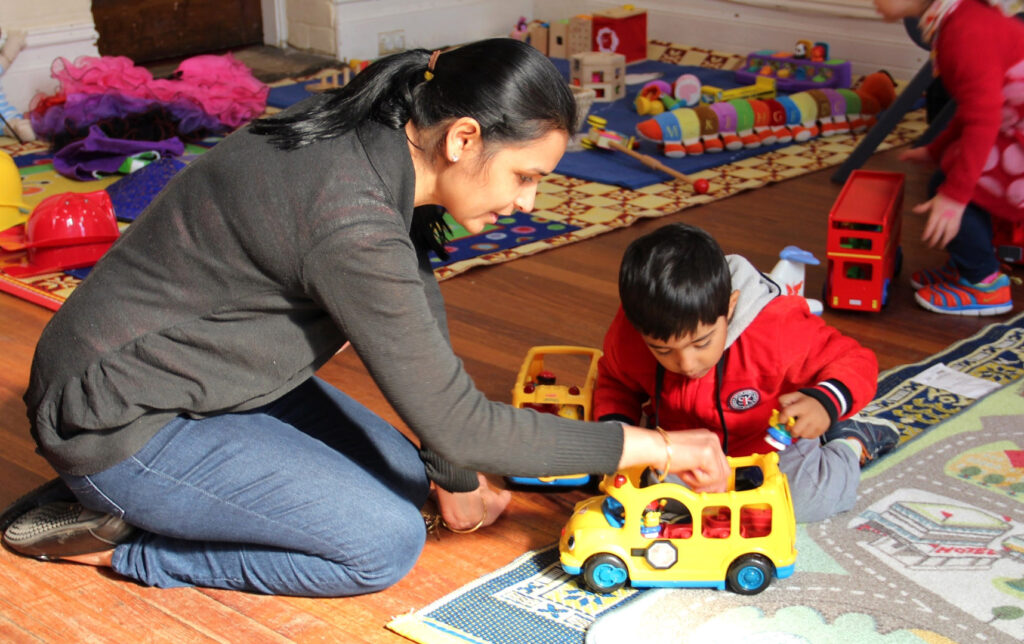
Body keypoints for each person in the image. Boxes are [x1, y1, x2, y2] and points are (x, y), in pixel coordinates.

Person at [0, 39, 730, 597]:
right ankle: (123, 543)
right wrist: (658, 448)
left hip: (200, 374)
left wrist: (451, 475)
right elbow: (464, 424)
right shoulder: (350, 220)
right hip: (117, 419)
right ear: (465, 138)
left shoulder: (380, 136)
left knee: (412, 481)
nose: (528, 203)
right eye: (526, 176)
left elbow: (419, 312)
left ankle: (166, 502)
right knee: (379, 546)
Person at [593, 223, 901, 523]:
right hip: (684, 452)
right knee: (651, 504)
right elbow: (616, 383)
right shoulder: (631, 332)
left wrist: (826, 402)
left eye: (701, 342)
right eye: (662, 350)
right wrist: (620, 436)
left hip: (769, 445)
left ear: (730, 307)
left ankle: (850, 440)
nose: (686, 364)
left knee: (810, 500)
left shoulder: (776, 327)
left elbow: (855, 359)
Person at [878, 0, 1024, 316]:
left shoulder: (965, 30)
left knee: (951, 189)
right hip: (1010, 128)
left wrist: (956, 198)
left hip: (1014, 136)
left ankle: (984, 283)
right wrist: (936, 149)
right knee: (946, 180)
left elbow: (983, 117)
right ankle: (968, 264)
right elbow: (971, 107)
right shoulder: (957, 22)